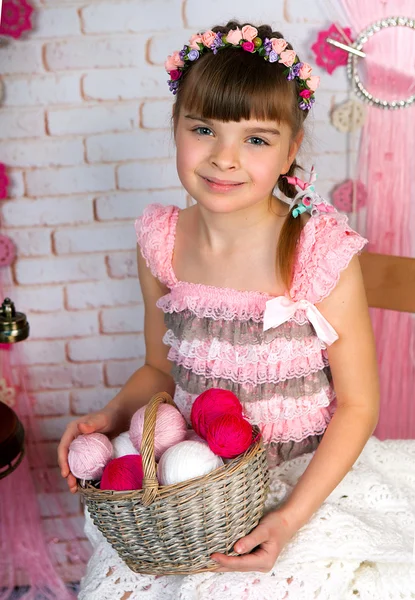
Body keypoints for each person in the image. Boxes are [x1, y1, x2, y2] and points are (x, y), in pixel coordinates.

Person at [57, 21, 415, 599]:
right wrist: (111, 415)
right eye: (204, 129)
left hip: (300, 480)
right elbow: (158, 368)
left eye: (255, 139)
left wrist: (287, 519)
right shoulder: (162, 243)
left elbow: (358, 404)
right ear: (176, 128)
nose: (225, 158)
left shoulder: (316, 252)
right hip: (197, 484)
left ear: (290, 150)